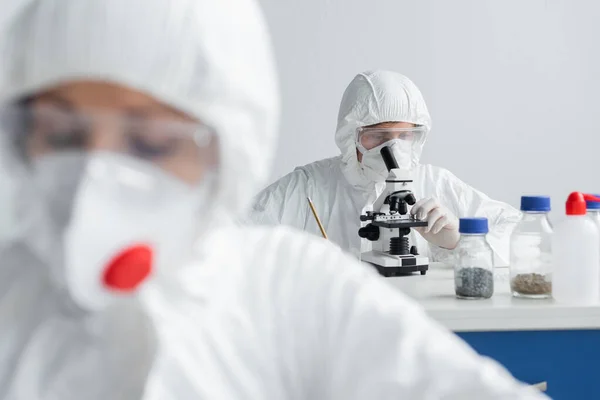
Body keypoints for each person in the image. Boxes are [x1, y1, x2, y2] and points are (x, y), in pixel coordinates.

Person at [0, 0, 545, 399]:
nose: (97, 180)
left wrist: (459, 241)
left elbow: (528, 241)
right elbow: (237, 224)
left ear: (230, 147)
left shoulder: (287, 291)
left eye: (152, 143)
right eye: (61, 135)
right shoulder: (305, 190)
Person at [248, 70, 521, 262]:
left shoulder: (436, 183)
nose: (393, 148)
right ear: (350, 137)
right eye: (378, 136)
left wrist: (459, 241)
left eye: (404, 136)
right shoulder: (308, 187)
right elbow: (231, 238)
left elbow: (522, 235)